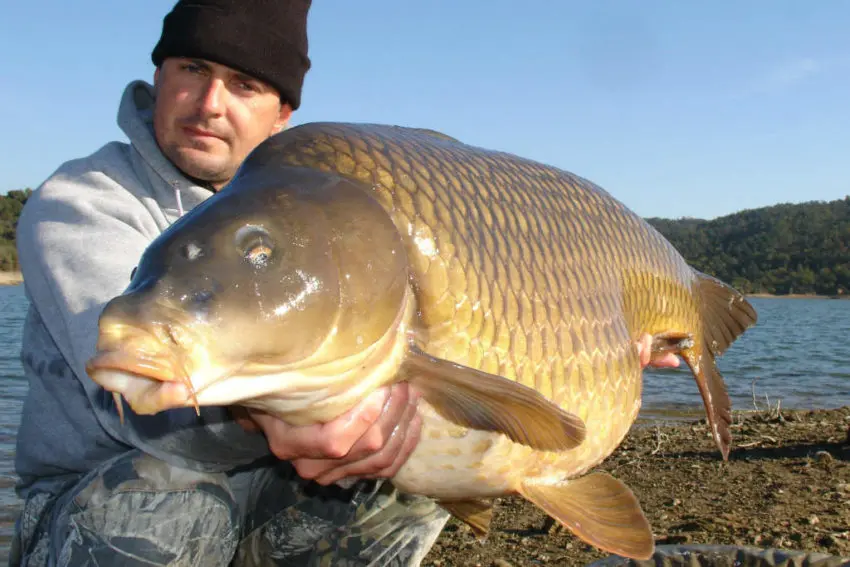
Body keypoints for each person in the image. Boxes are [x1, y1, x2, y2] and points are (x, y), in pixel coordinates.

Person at [10, 0, 680, 565]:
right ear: (159, 76)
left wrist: (603, 332)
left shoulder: (326, 209)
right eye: (191, 68)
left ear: (281, 115)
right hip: (94, 504)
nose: (210, 102)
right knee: (175, 502)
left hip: (266, 489)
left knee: (403, 473)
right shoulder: (82, 200)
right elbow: (130, 403)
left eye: (243, 84)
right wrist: (265, 417)